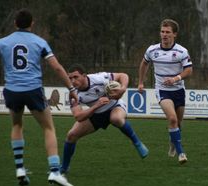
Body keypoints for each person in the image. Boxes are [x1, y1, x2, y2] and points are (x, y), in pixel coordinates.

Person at [0, 9, 77, 186]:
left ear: (15, 24)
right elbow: (56, 67)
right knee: (48, 128)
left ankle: (19, 168)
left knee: (17, 125)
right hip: (33, 89)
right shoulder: (39, 42)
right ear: (32, 24)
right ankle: (55, 171)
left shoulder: (3, 42)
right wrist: (71, 88)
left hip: (12, 90)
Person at [60, 64, 149, 174]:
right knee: (71, 135)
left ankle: (137, 142)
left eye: (76, 77)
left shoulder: (99, 78)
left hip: (115, 106)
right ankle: (64, 168)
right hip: (96, 113)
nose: (73, 81)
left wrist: (122, 89)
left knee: (116, 119)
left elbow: (123, 75)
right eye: (70, 78)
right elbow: (78, 116)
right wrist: (96, 106)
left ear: (84, 76)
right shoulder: (73, 93)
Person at [138, 19, 192, 164]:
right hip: (162, 90)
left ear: (174, 34)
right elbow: (144, 64)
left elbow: (189, 70)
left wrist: (176, 79)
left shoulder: (181, 51)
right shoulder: (152, 50)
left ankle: (173, 142)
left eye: (168, 32)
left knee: (178, 123)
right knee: (173, 119)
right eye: (162, 31)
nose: (164, 35)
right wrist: (141, 82)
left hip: (179, 90)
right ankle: (181, 153)